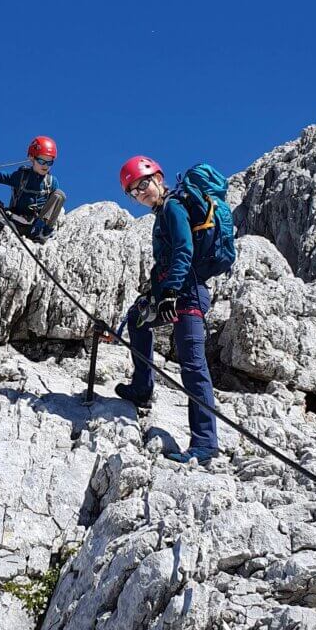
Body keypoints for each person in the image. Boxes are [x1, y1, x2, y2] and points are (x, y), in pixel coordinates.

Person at [115, 155, 218, 465]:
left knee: (192, 365)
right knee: (137, 319)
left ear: (158, 178)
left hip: (187, 296)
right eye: (134, 191)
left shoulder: (172, 207)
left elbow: (184, 250)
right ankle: (143, 387)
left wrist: (171, 291)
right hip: (173, 295)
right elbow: (167, 259)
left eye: (144, 184)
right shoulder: (163, 213)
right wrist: (155, 292)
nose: (141, 193)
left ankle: (205, 443)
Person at [0, 137, 64, 243]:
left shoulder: (52, 182)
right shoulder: (21, 177)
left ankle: (41, 232)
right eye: (41, 160)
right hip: (15, 220)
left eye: (49, 162)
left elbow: (53, 207)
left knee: (59, 195)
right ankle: (6, 229)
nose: (45, 165)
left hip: (36, 225)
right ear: (31, 158)